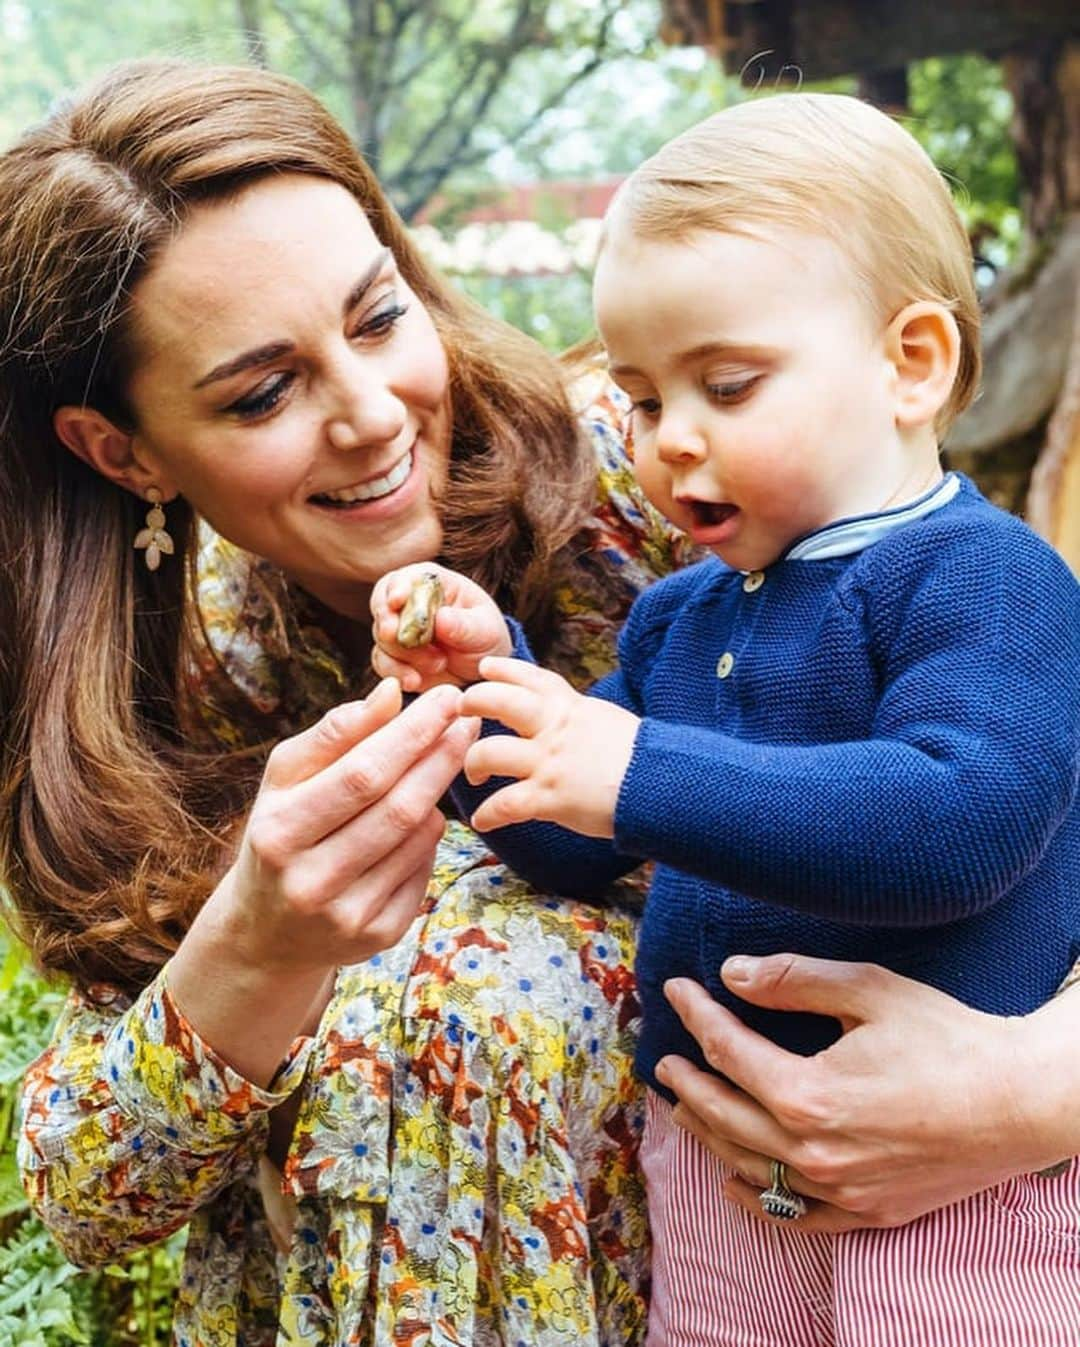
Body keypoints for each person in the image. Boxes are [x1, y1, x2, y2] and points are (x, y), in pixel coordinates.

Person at [2, 57, 690, 1347]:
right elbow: (88, 1199)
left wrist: (1030, 1088)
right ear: (124, 450)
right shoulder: (180, 683)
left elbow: (1020, 764)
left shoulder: (667, 481)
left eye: (377, 318)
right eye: (265, 392)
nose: (372, 416)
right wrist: (258, 950)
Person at [372, 93, 1080, 1346]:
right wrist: (482, 699)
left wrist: (633, 767)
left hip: (968, 1194)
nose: (668, 440)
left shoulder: (984, 578)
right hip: (713, 1177)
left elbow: (965, 820)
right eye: (642, 399)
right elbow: (573, 838)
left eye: (728, 385)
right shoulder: (679, 620)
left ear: (911, 364)